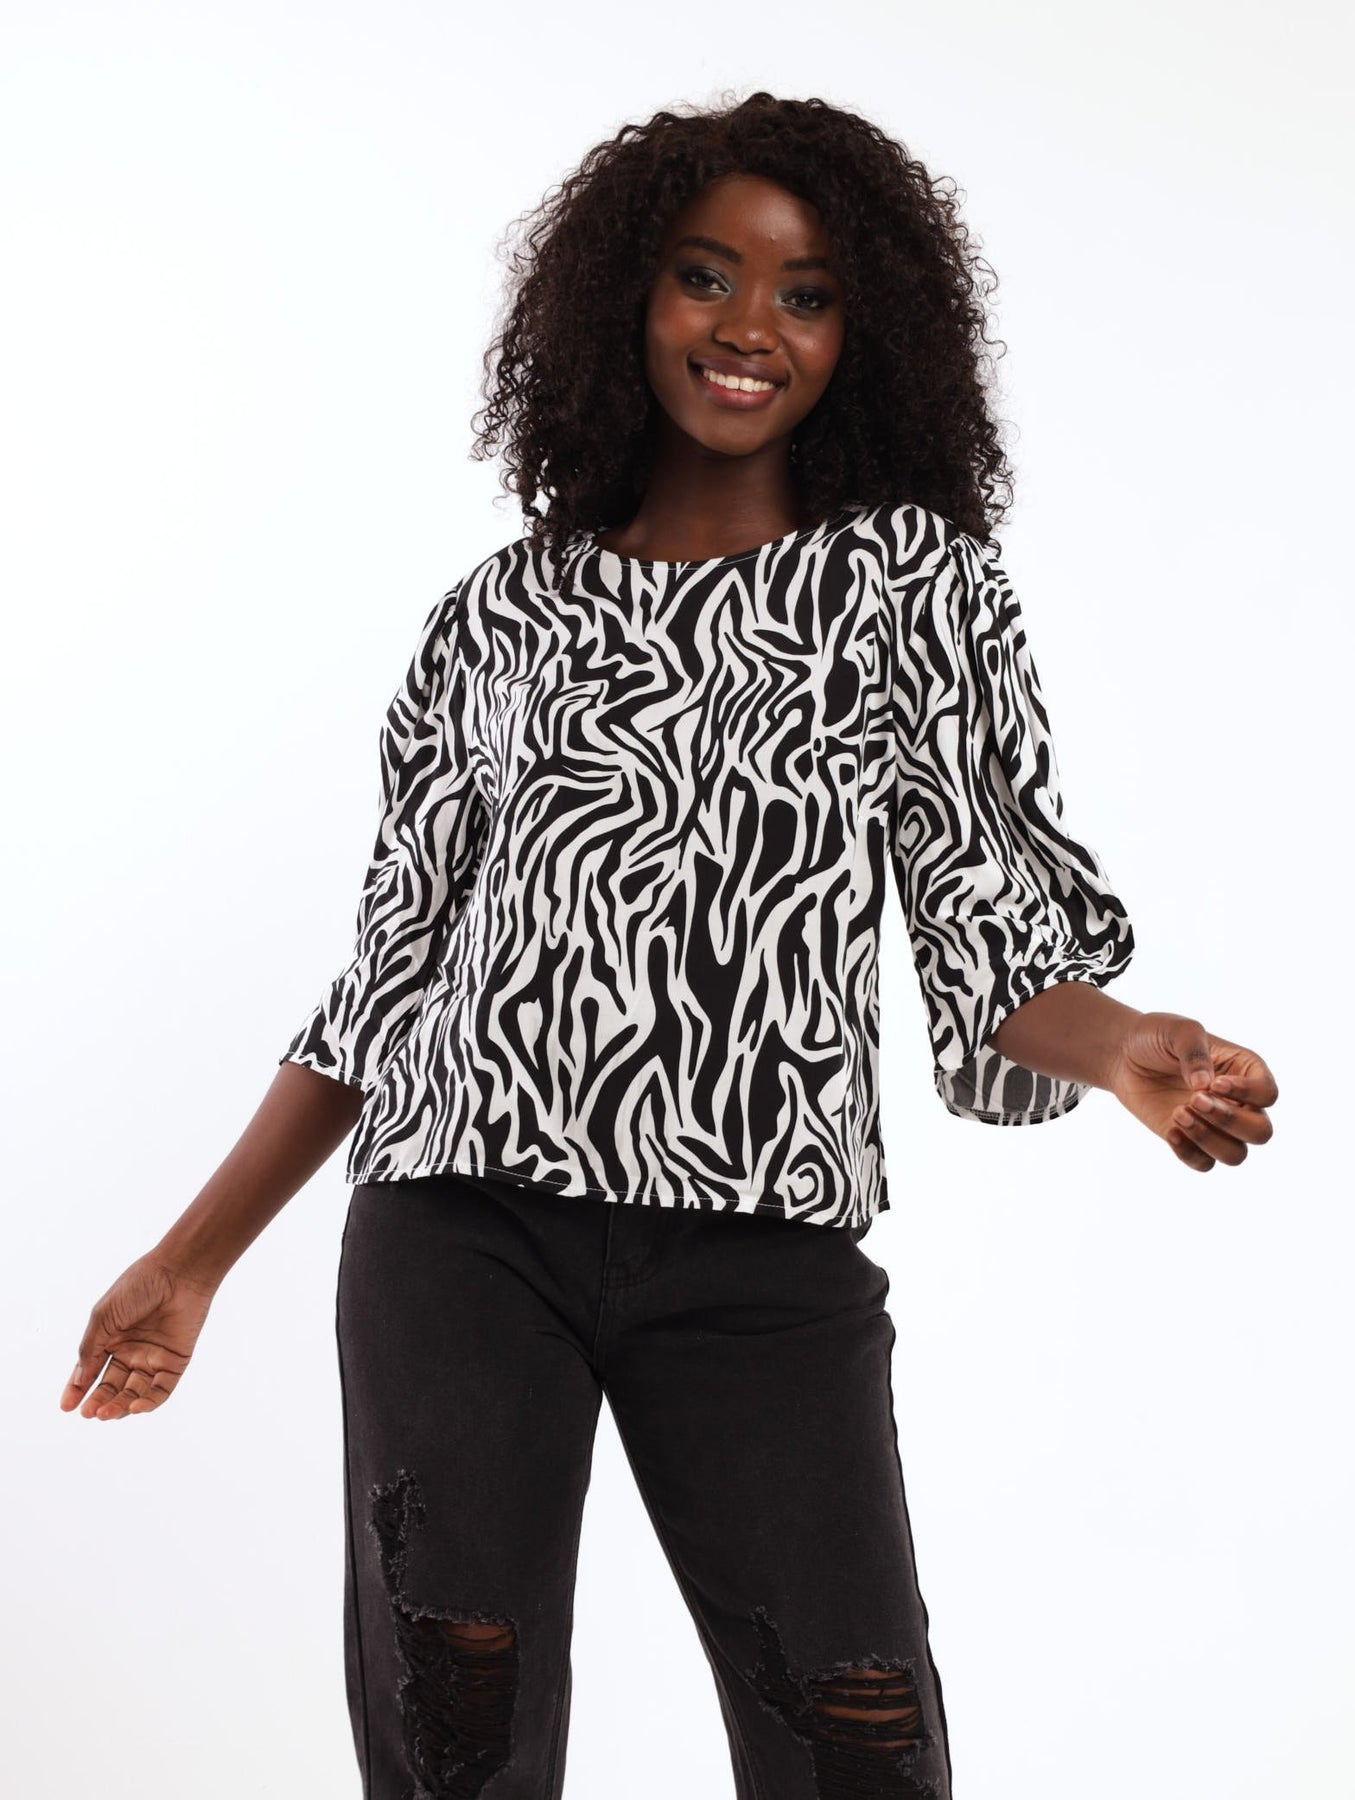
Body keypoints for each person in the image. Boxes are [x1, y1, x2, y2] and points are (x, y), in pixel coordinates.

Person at [59, 91, 1278, 1800]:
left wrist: (1130, 1047)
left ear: (866, 335)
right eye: (707, 275)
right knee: (458, 1748)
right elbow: (391, 974)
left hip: (762, 1260)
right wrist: (191, 1261)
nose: (749, 327)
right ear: (625, 296)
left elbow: (995, 932)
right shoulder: (501, 615)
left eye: (807, 294)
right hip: (461, 1236)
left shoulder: (909, 591)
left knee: (859, 1740)